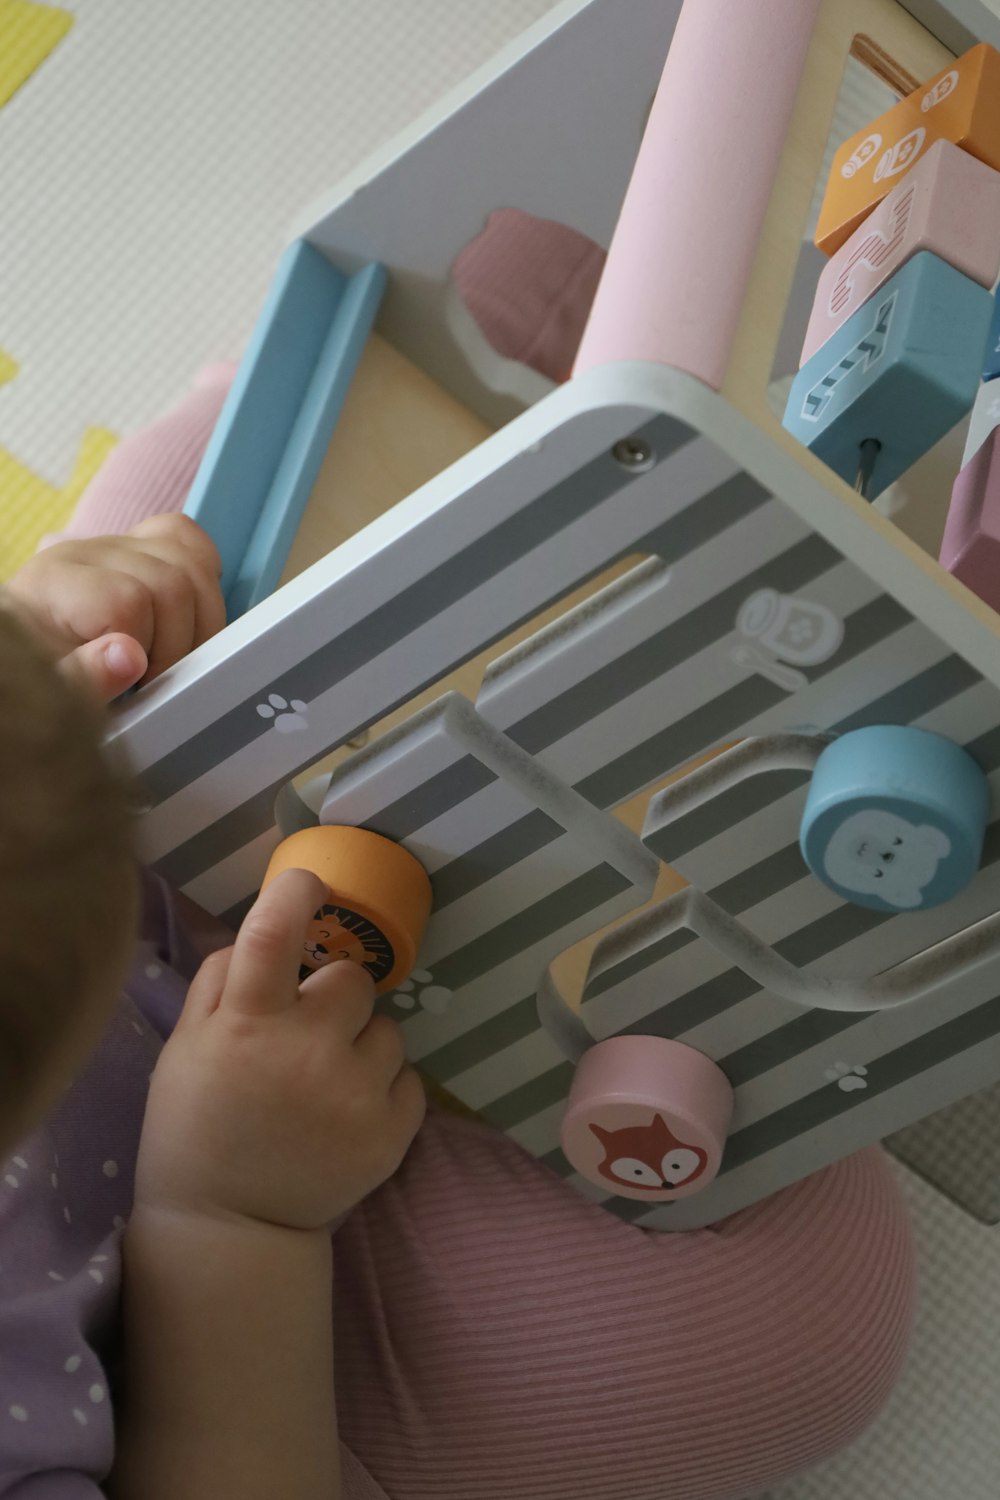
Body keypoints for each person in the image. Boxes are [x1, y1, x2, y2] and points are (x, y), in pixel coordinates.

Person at [0, 366, 916, 1500]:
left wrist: (42, 636)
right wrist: (232, 1218)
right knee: (798, 1339)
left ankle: (520, 331)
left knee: (188, 512)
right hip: (224, 1302)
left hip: (112, 850)